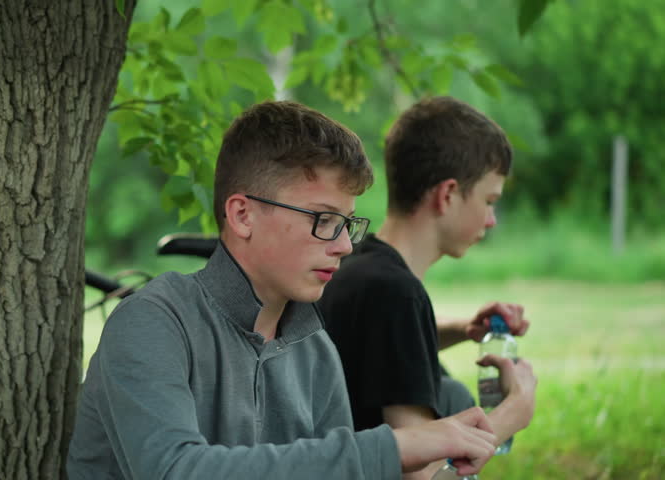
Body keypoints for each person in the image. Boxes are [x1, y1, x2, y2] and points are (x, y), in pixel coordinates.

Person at [67, 100, 499, 479]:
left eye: (347, 223)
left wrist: (473, 437)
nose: (345, 245)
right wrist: (397, 447)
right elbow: (178, 471)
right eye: (323, 219)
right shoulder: (152, 321)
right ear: (242, 216)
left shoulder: (315, 350)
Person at [317, 96, 538, 479]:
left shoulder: (355, 264)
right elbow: (424, 476)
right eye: (489, 201)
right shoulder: (396, 292)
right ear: (447, 194)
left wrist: (463, 329)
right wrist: (513, 412)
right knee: (453, 396)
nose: (491, 220)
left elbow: (375, 354)